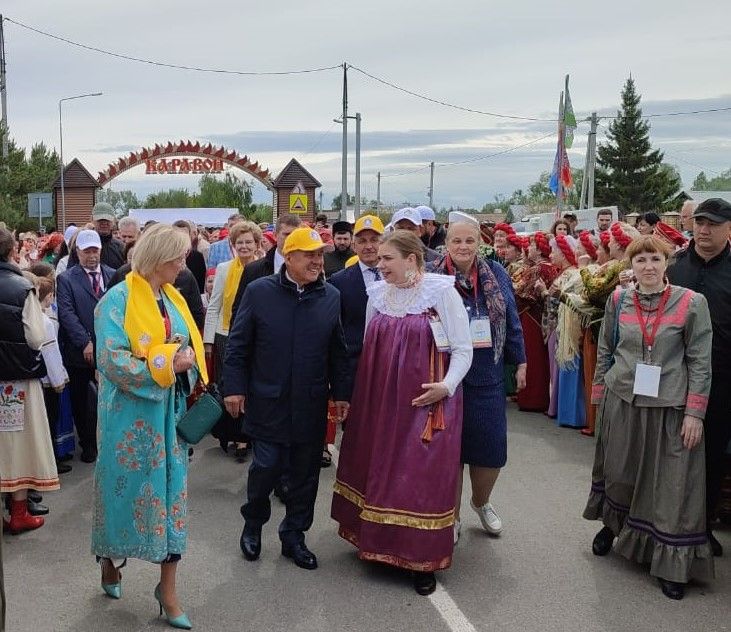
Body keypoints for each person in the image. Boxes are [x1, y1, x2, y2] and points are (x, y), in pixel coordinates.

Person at [332, 230, 472, 596]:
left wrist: (447, 386)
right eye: (378, 259)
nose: (380, 266)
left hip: (424, 399)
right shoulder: (377, 295)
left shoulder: (441, 293)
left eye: (387, 259)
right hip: (379, 397)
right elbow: (369, 345)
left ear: (412, 259)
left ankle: (421, 558)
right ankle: (377, 543)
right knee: (378, 467)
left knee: (419, 474)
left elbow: (462, 348)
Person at [584, 235, 714, 600]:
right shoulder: (617, 299)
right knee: (619, 472)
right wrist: (599, 395)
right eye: (640, 260)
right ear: (631, 265)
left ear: (667, 261)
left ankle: (672, 563)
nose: (648, 267)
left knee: (671, 485)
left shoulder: (692, 303)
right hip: (623, 398)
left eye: (655, 259)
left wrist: (695, 413)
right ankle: (612, 526)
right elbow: (607, 346)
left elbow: (700, 362)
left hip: (670, 407)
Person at [92, 223, 205, 629]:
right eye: (178, 256)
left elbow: (185, 345)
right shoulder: (115, 300)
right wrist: (165, 363)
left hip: (170, 420)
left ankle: (168, 590)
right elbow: (112, 359)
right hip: (130, 421)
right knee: (122, 496)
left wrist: (185, 361)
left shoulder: (173, 298)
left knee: (172, 501)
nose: (183, 263)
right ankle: (108, 561)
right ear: (158, 258)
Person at [223, 227, 350, 571]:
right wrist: (233, 387)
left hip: (309, 404)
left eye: (319, 255)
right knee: (266, 468)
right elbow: (237, 344)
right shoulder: (258, 291)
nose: (316, 261)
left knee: (306, 475)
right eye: (309, 255)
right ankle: (253, 523)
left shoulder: (331, 296)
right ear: (288, 256)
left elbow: (338, 352)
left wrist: (341, 394)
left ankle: (294, 536)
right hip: (268, 402)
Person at [431, 212, 525, 543]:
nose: (463, 246)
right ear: (446, 244)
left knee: (490, 448)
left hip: (486, 371)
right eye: (456, 240)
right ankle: (451, 515)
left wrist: (521, 361)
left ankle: (481, 502)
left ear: (480, 244)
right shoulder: (432, 276)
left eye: (470, 240)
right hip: (443, 373)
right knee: (449, 451)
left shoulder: (496, 272)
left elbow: (511, 317)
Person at [667, 197, 731, 558]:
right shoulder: (674, 266)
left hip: (721, 381)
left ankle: (702, 529)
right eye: (700, 222)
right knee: (670, 453)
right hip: (672, 379)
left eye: (713, 224)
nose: (704, 230)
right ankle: (664, 528)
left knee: (710, 458)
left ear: (729, 229)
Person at [0, 229, 59, 535]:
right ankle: (19, 513)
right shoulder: (22, 287)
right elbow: (37, 337)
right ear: (12, 251)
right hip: (16, 379)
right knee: (17, 445)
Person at [204, 221, 262, 456]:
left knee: (251, 387)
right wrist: (208, 341)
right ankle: (233, 434)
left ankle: (249, 436)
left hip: (256, 338)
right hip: (225, 334)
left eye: (249, 242)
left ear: (257, 244)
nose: (244, 246)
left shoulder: (264, 268)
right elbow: (214, 304)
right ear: (233, 245)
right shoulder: (224, 269)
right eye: (240, 242)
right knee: (229, 387)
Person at [56, 230, 115, 463]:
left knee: (108, 399)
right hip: (79, 352)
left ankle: (107, 441)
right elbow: (67, 314)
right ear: (77, 252)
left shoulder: (113, 275)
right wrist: (85, 342)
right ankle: (88, 443)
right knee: (83, 401)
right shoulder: (67, 279)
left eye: (95, 250)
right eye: (87, 251)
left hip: (109, 349)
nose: (92, 256)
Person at [537, 234, 585, 427]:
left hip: (562, 327)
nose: (551, 255)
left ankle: (558, 408)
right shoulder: (563, 273)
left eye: (554, 251)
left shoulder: (569, 274)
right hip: (556, 326)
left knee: (560, 368)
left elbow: (558, 300)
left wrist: (543, 291)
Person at [514, 232, 558, 412]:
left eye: (532, 245)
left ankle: (531, 398)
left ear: (539, 250)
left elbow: (520, 291)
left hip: (531, 316)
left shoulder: (537, 269)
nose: (528, 248)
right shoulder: (551, 267)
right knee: (540, 358)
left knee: (530, 357)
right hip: (543, 317)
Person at [230, 214, 301, 319]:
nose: (292, 239)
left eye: (296, 235)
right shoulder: (253, 270)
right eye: (287, 234)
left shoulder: (309, 268)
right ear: (275, 235)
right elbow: (239, 311)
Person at [173, 220, 207, 293]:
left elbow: (201, 284)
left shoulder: (198, 257)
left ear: (190, 236)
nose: (181, 238)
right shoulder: (168, 258)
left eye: (184, 234)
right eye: (178, 234)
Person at [91, 203, 126, 270]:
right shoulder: (82, 246)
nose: (104, 223)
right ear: (92, 219)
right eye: (100, 220)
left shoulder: (121, 247)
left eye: (107, 220)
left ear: (114, 220)